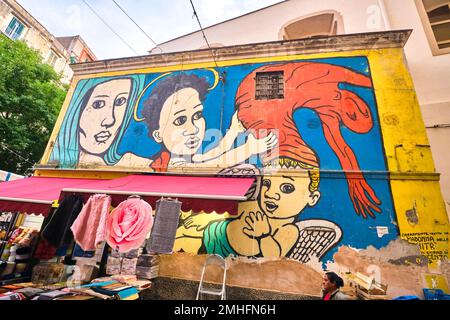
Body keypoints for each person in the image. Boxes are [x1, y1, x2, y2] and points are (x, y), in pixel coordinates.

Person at [141, 73, 278, 172]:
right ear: (158, 135)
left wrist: (233, 131)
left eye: (197, 115)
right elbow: (216, 163)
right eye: (180, 120)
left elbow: (215, 152)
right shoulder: (172, 164)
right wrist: (249, 149)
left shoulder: (191, 157)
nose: (192, 128)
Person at [50, 75, 145, 167]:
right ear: (77, 108)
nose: (110, 120)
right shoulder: (57, 162)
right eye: (98, 104)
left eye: (120, 101)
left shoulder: (141, 164)